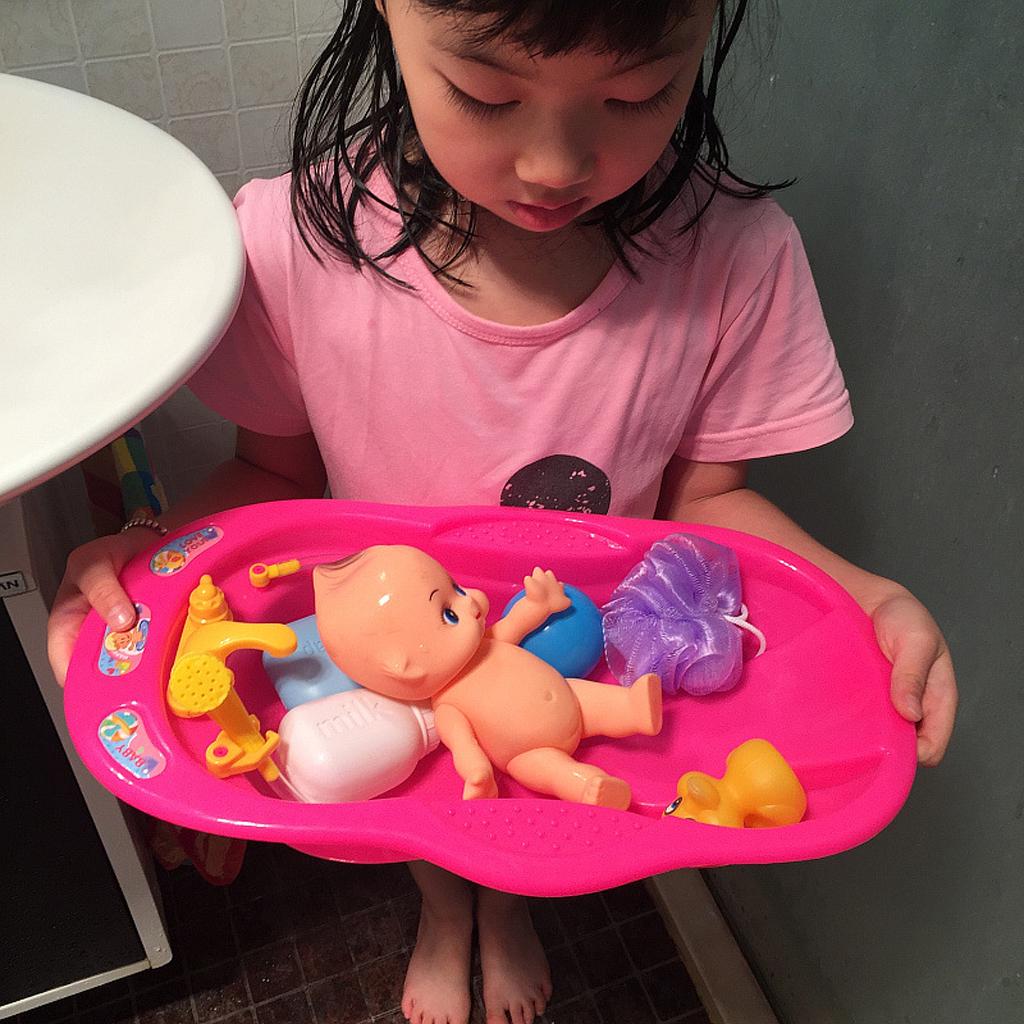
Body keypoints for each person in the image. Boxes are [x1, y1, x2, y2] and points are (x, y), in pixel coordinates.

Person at [47, 2, 958, 1023]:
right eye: (486, 94)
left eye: (636, 94)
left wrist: (865, 594)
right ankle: (445, 909)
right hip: (394, 660)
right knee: (428, 803)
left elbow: (711, 505)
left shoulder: (736, 257)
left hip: (577, 657)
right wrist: (147, 556)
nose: (554, 165)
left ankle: (510, 908)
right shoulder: (295, 242)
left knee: (536, 797)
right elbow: (268, 475)